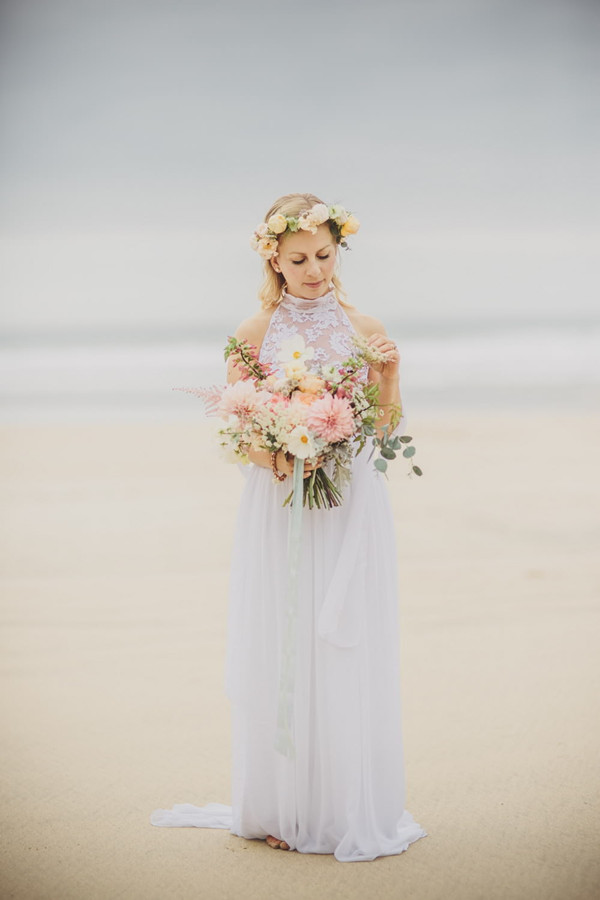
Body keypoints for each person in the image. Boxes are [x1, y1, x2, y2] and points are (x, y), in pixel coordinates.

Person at [151, 192, 427, 862]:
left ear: (339, 252)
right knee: (284, 640)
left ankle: (338, 806)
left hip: (349, 503)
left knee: (342, 643)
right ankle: (280, 803)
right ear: (272, 256)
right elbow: (236, 426)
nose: (313, 270)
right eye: (298, 258)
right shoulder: (252, 334)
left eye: (325, 256)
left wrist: (388, 377)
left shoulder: (365, 326)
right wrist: (277, 452)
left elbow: (384, 429)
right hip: (280, 504)